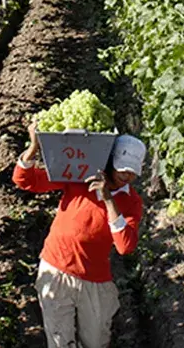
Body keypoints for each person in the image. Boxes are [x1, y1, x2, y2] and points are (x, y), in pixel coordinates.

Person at [13, 120, 146, 348]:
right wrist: (34, 147)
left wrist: (108, 199)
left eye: (132, 171)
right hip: (56, 269)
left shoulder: (132, 202)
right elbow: (25, 180)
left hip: (95, 279)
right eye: (122, 167)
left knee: (96, 341)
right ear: (110, 159)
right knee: (60, 341)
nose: (126, 174)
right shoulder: (80, 176)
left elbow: (125, 246)